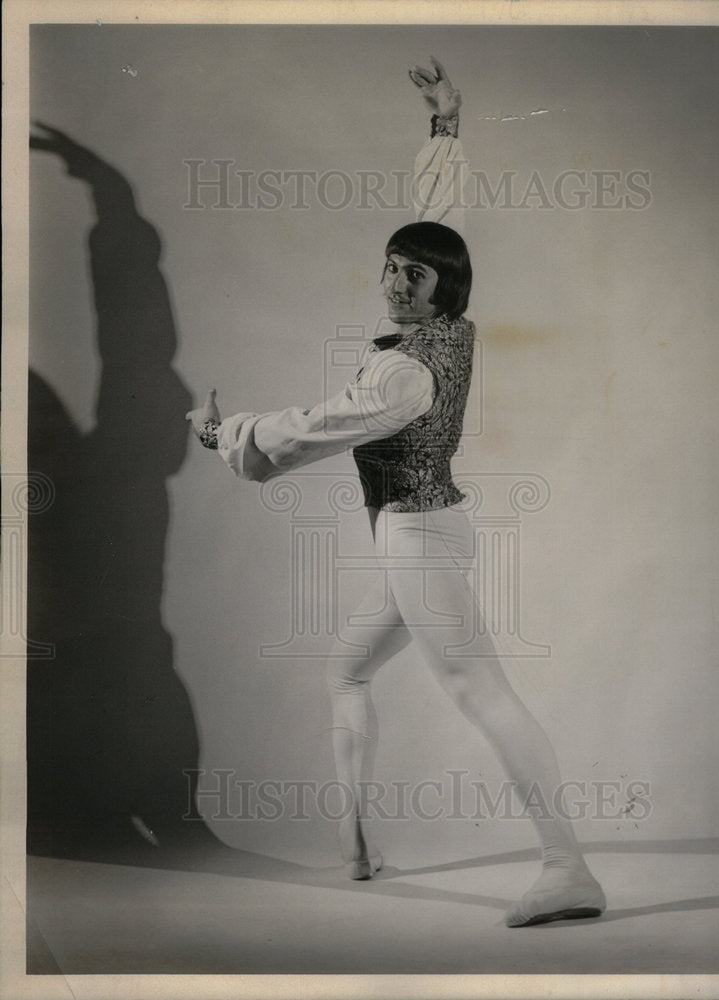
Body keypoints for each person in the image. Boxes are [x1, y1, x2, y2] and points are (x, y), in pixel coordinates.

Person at [186, 58, 606, 927]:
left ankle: (568, 869)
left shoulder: (403, 377)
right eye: (389, 267)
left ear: (440, 290)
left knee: (481, 692)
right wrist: (445, 127)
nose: (393, 281)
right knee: (346, 669)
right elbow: (439, 224)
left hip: (419, 539)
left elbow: (304, 430)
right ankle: (358, 849)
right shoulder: (447, 325)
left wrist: (222, 434)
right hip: (421, 534)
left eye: (411, 276)